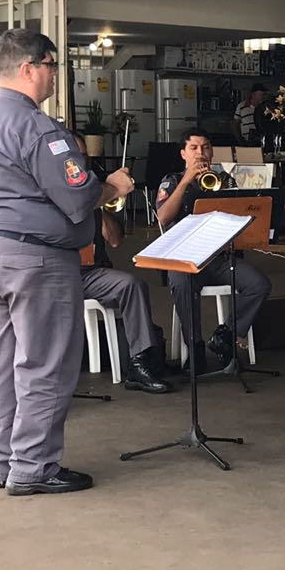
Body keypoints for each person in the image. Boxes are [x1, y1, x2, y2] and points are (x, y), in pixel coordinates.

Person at [0, 28, 133, 496]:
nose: (56, 75)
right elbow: (78, 198)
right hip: (33, 260)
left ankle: (4, 460)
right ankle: (33, 468)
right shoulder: (38, 128)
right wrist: (112, 187)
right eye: (53, 65)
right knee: (46, 363)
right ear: (29, 68)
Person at [156, 128, 273, 365]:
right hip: (184, 259)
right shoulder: (171, 181)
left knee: (259, 284)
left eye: (206, 147)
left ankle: (225, 335)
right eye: (194, 148)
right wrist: (186, 181)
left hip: (220, 257)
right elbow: (163, 218)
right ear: (183, 154)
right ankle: (195, 347)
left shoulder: (226, 179)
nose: (201, 153)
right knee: (180, 283)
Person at [74, 135, 171, 394]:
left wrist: (99, 207)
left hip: (92, 272)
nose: (83, 162)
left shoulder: (94, 191)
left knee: (132, 284)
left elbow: (115, 241)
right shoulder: (59, 189)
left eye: (85, 156)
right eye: (77, 155)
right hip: (60, 273)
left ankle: (139, 362)